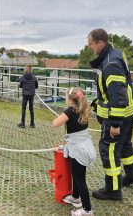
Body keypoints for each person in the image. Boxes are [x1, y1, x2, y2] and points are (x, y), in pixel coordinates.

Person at [87, 28, 133, 201]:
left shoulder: (110, 65)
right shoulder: (116, 52)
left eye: (91, 44)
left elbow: (118, 96)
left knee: (109, 150)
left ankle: (113, 189)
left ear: (100, 42)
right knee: (125, 144)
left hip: (117, 115)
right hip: (129, 112)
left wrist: (115, 125)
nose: (89, 47)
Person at [53, 88, 96, 216]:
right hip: (82, 146)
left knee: (80, 179)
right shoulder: (82, 109)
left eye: (66, 97)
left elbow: (55, 123)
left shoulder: (70, 111)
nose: (65, 99)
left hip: (79, 149)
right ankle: (75, 197)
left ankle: (87, 210)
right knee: (76, 174)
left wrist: (63, 115)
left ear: (71, 100)